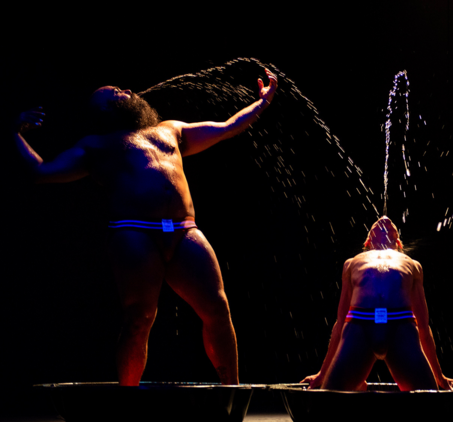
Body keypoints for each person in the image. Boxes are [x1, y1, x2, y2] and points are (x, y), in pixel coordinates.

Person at [11, 69, 278, 386]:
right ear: (104, 111)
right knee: (139, 318)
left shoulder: (170, 129)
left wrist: (261, 103)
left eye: (121, 86)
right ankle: (128, 402)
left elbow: (228, 127)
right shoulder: (96, 145)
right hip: (135, 232)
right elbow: (42, 171)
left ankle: (231, 393)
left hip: (184, 230)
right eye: (113, 92)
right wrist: (10, 132)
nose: (123, 89)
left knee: (218, 309)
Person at [301, 216, 453, 391]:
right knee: (329, 397)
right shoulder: (352, 262)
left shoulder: (413, 265)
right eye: (375, 224)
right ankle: (357, 385)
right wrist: (322, 374)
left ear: (398, 241)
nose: (384, 219)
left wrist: (439, 376)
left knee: (429, 398)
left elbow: (423, 325)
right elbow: (340, 322)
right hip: (359, 327)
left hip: (400, 328)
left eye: (391, 224)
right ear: (368, 240)